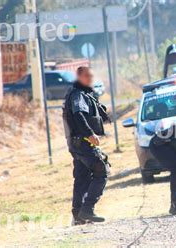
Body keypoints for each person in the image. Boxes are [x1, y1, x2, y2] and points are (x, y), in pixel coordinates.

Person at [63, 66, 111, 224]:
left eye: (91, 76)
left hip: (76, 144)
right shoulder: (77, 95)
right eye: (87, 76)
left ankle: (78, 216)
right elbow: (79, 115)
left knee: (82, 177)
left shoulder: (82, 93)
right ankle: (88, 209)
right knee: (101, 171)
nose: (90, 78)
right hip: (83, 143)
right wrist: (90, 133)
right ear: (79, 76)